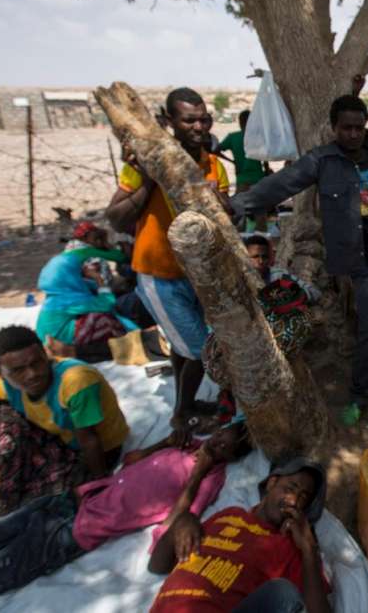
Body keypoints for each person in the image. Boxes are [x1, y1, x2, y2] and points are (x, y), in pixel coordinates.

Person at [230, 95, 368, 419]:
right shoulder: (322, 161)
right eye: (347, 128)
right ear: (334, 128)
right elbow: (281, 184)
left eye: (359, 127)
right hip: (364, 264)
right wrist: (239, 205)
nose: (354, 134)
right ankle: (363, 393)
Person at [0, 420, 251, 596]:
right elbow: (129, 462)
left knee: (4, 567)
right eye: (218, 436)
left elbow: (179, 521)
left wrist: (198, 472)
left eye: (223, 447)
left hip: (78, 528)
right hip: (73, 498)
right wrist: (164, 443)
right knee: (0, 531)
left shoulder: (209, 479)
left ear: (231, 458)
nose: (214, 444)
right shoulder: (188, 444)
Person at [105, 87, 230, 434]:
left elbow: (226, 217)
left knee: (182, 345)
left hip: (198, 275)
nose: (198, 126)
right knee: (200, 350)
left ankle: (183, 404)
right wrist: (149, 179)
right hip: (160, 275)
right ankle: (182, 416)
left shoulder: (213, 165)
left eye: (203, 119)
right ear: (169, 121)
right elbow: (115, 217)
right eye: (189, 120)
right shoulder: (145, 164)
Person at [148, 457, 330, 613]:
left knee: (283, 593)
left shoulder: (288, 546)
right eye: (291, 488)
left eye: (303, 497)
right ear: (272, 483)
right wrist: (181, 522)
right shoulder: (229, 514)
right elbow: (157, 566)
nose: (293, 501)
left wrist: (308, 548)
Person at [0, 326, 129, 515]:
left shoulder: (75, 381)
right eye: (18, 370)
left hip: (93, 451)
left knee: (41, 504)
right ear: (1, 373)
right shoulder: (2, 384)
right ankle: (3, 479)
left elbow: (89, 441)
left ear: (45, 354)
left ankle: (6, 485)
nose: (32, 374)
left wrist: (100, 484)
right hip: (55, 437)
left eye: (37, 362)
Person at [36, 222, 138, 363]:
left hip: (53, 336)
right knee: (102, 317)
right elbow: (106, 304)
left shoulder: (59, 292)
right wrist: (99, 280)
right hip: (59, 342)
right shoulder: (69, 299)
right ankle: (131, 340)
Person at [219, 110, 267, 195]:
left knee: (241, 205)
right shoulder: (259, 137)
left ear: (240, 122)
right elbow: (265, 157)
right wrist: (267, 170)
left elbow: (215, 150)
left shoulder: (233, 137)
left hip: (242, 178)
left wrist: (232, 161)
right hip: (258, 177)